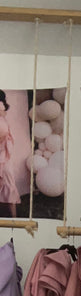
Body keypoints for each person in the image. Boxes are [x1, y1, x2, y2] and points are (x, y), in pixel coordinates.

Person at [0, 90, 21, 218]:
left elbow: (4, 131)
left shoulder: (1, 110)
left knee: (8, 181)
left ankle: (14, 218)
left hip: (3, 153)